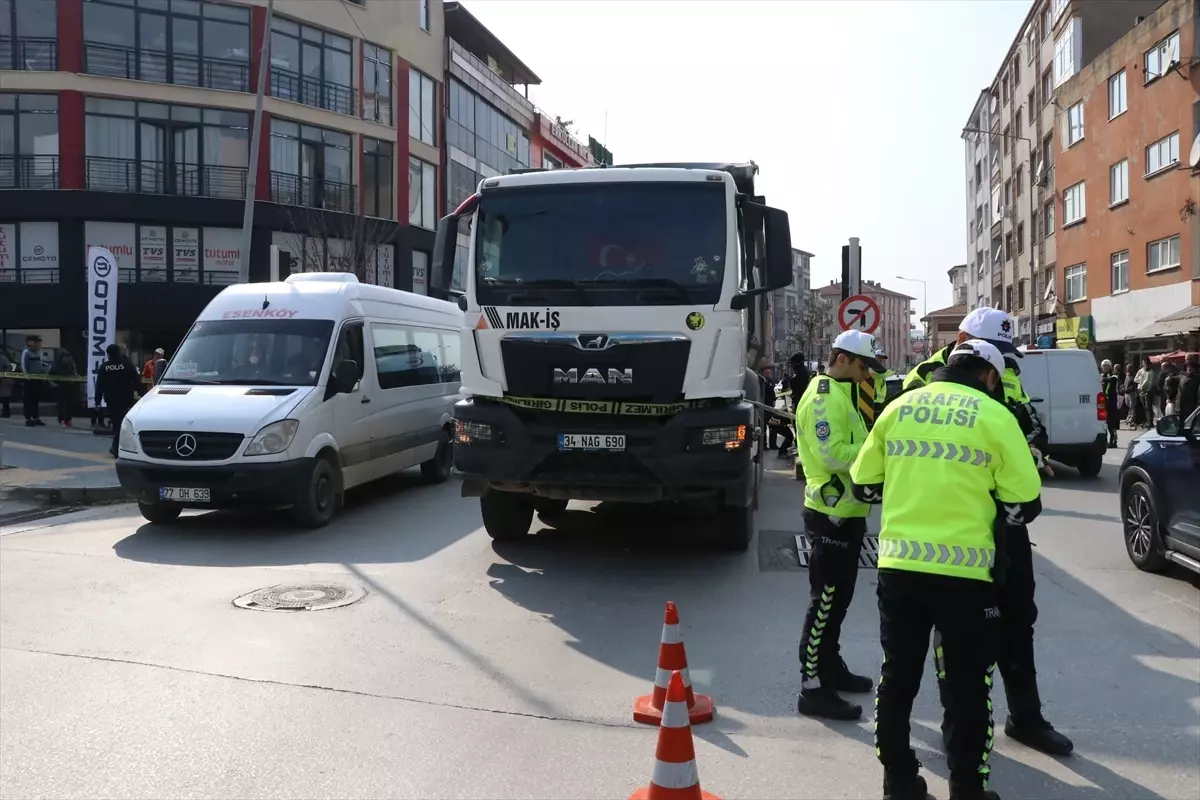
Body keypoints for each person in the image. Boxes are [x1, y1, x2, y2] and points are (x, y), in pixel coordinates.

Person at [851, 340, 1044, 800]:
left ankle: (898, 780)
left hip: (898, 569)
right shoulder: (994, 416)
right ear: (990, 377)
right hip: (965, 578)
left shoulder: (899, 407)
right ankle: (967, 789)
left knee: (897, 678)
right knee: (966, 688)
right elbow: (1026, 503)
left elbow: (863, 484)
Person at [794, 330, 881, 720]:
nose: (867, 376)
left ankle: (831, 666)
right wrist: (879, 454)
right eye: (864, 367)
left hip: (849, 513)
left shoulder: (844, 393)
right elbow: (831, 454)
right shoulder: (824, 396)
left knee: (839, 600)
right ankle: (812, 687)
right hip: (830, 515)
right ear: (843, 358)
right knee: (825, 602)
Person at [903, 307, 1021, 392]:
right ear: (962, 338)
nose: (996, 355)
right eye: (988, 347)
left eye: (1001, 351)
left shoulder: (1008, 372)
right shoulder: (923, 375)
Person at [94, 343, 142, 457]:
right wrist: (142, 395)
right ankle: (116, 448)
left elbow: (99, 385)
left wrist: (97, 401)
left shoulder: (104, 367)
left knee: (117, 423)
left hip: (111, 400)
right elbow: (136, 381)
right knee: (123, 423)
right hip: (126, 399)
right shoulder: (127, 365)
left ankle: (116, 448)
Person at [19, 334, 47, 427]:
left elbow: (41, 365)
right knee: (29, 399)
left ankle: (36, 417)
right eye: (36, 342)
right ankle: (28, 418)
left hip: (38, 380)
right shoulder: (26, 352)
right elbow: (23, 366)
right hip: (30, 380)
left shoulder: (38, 352)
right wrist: (27, 377)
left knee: (36, 399)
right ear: (30, 342)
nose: (38, 344)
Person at [49, 350, 80, 427]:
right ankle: (62, 420)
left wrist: (75, 380)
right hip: (59, 387)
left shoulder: (71, 364)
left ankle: (68, 420)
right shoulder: (55, 366)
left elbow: (75, 373)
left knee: (70, 404)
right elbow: (49, 377)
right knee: (61, 405)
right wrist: (54, 385)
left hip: (69, 386)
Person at [1100, 360, 1121, 447]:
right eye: (1104, 366)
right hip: (1102, 403)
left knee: (1111, 423)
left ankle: (1113, 441)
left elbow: (1112, 380)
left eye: (1107, 366)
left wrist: (1101, 379)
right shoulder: (1100, 376)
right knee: (1103, 423)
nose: (1105, 367)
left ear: (1110, 367)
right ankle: (1104, 441)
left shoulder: (1113, 376)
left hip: (1111, 403)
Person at [1178, 353, 1199, 421]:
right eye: (1187, 359)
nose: (1189, 361)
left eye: (1190, 359)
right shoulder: (1183, 367)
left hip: (1193, 399)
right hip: (1182, 399)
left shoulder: (1197, 367)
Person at [0, 349, 13, 418]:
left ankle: (6, 412)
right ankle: (5, 412)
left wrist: (4, 375)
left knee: (4, 396)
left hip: (4, 379)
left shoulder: (2, 358)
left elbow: (9, 366)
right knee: (4, 396)